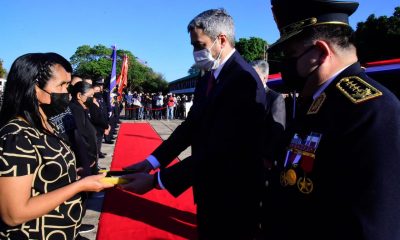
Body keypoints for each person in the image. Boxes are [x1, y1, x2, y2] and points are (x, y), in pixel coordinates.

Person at [120, 8, 266, 239]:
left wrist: (157, 180)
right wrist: (151, 162)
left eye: (199, 45)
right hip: (209, 187)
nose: (195, 52)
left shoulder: (243, 79)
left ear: (221, 40)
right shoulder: (209, 76)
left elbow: (223, 148)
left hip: (233, 192)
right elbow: (190, 127)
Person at [262, 1, 400, 239]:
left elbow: (372, 227)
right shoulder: (319, 99)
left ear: (321, 53)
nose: (286, 64)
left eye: (291, 54)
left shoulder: (372, 110)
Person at [0, 52, 114, 240]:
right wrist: (78, 186)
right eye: (61, 85)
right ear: (34, 88)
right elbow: (14, 214)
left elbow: (44, 175)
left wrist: (73, 175)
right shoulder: (16, 136)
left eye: (68, 85)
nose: (67, 93)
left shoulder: (47, 124)